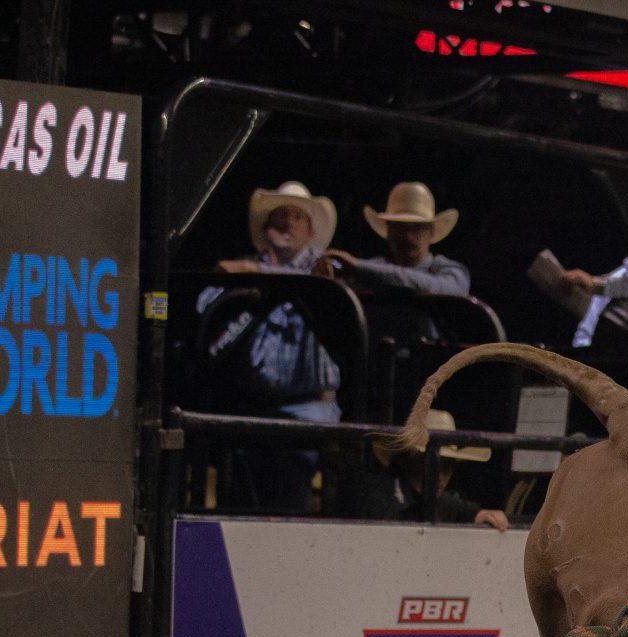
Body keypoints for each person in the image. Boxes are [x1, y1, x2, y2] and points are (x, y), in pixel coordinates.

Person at [203, 180, 345, 511]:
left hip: (309, 412)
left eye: (297, 216)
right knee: (240, 499)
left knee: (288, 497)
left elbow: (335, 288)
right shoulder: (242, 268)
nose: (288, 222)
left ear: (310, 231)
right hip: (251, 406)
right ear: (267, 227)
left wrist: (252, 273)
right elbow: (205, 305)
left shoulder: (327, 270)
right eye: (281, 215)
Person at [341, 410, 509, 531]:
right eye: (432, 462)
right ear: (406, 460)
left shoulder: (442, 501)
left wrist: (485, 516)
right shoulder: (378, 495)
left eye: (448, 466)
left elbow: (468, 512)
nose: (441, 474)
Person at [315, 182, 471, 297]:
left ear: (431, 233)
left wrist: (357, 267)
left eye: (416, 228)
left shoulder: (452, 271)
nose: (407, 236)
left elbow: (447, 289)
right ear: (388, 232)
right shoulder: (372, 268)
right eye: (400, 227)